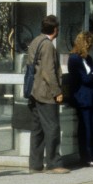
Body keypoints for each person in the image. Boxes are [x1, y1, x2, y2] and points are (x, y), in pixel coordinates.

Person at [28, 15, 69, 173]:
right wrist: (57, 91)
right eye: (57, 28)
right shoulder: (48, 46)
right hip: (46, 93)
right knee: (52, 128)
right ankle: (54, 163)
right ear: (55, 29)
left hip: (35, 92)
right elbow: (49, 72)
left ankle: (35, 164)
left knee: (37, 130)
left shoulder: (35, 41)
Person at [67, 31, 93, 167]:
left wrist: (92, 76)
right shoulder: (74, 59)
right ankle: (86, 156)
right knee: (86, 128)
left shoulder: (88, 59)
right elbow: (85, 78)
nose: (91, 47)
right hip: (83, 97)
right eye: (89, 44)